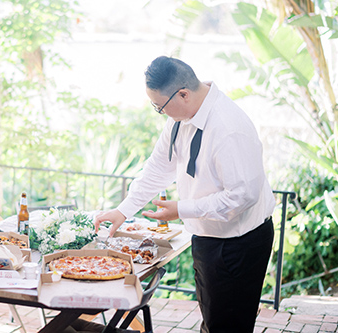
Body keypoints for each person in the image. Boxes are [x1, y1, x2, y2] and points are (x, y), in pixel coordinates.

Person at [94, 56, 275, 332]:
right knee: (214, 319)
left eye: (160, 107)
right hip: (207, 237)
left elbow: (242, 196)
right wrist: (123, 210)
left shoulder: (229, 128)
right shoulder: (181, 116)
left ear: (183, 94)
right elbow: (158, 167)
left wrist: (181, 209)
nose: (160, 112)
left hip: (238, 243)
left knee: (228, 325)